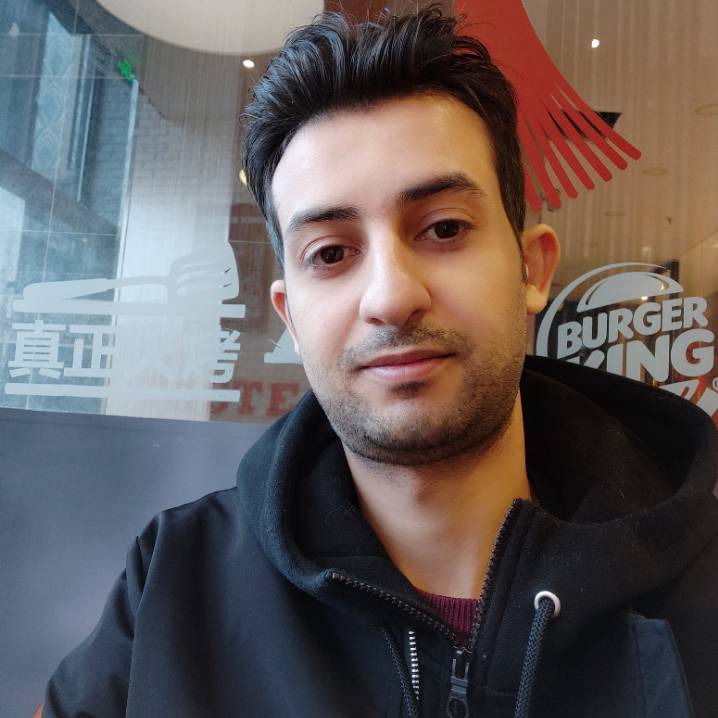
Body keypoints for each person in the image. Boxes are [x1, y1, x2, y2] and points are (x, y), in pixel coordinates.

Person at [39, 7, 718, 718]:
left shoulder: (699, 584)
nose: (391, 297)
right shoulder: (173, 586)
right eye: (331, 253)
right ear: (290, 316)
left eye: (444, 228)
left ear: (532, 269)